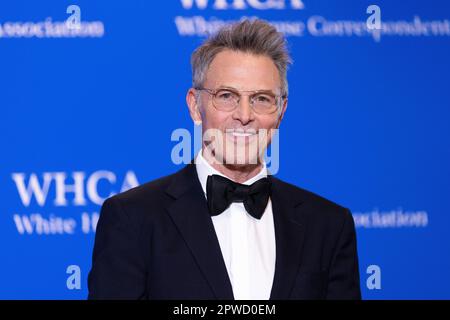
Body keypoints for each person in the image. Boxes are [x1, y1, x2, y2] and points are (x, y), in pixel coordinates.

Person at [88, 19, 361, 300]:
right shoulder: (133, 218)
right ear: (196, 106)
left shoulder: (328, 225)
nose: (244, 115)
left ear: (281, 111)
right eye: (227, 96)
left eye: (261, 99)